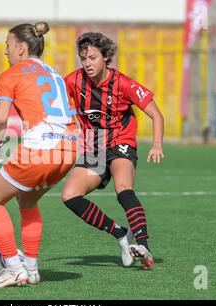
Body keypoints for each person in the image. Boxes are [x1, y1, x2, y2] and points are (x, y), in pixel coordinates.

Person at [0, 22, 78, 288]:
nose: (6, 52)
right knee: (27, 201)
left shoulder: (11, 74)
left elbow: (1, 120)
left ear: (22, 48)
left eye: (8, 46)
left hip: (41, 149)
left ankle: (13, 267)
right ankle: (32, 269)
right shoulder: (54, 72)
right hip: (70, 148)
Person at [61, 32, 164, 269]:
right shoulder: (72, 81)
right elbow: (58, 106)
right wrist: (69, 128)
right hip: (94, 145)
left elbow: (156, 115)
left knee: (123, 189)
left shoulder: (124, 84)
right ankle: (121, 234)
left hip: (121, 141)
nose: (87, 64)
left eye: (93, 58)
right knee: (69, 196)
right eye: (83, 58)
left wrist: (157, 144)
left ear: (106, 58)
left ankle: (144, 245)